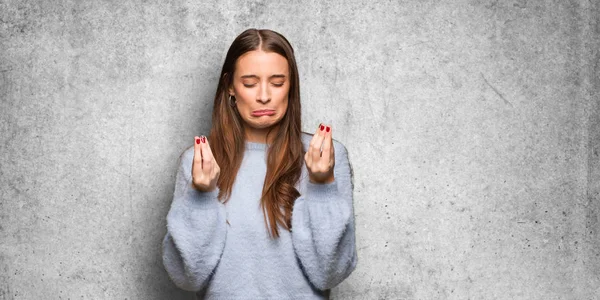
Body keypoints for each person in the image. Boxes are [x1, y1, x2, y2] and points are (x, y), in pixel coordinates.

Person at [161, 28, 358, 299]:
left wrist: (323, 186)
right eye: (250, 83)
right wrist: (201, 198)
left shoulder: (326, 156)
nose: (264, 96)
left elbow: (330, 273)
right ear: (230, 86)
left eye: (277, 83)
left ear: (291, 87)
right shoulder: (199, 161)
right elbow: (187, 277)